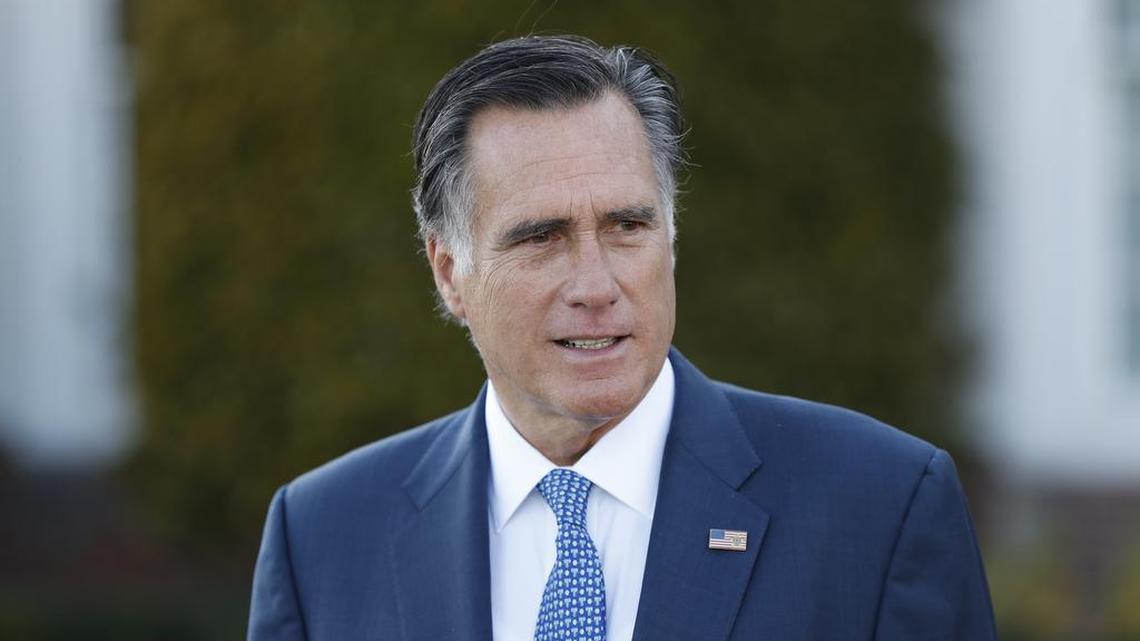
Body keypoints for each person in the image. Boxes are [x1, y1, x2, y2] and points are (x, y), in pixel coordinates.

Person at [247, 35, 998, 641]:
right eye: (542, 237)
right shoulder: (322, 538)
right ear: (450, 273)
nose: (596, 283)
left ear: (670, 238)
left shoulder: (880, 509)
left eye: (627, 226)